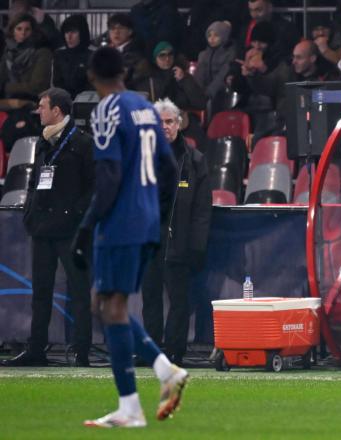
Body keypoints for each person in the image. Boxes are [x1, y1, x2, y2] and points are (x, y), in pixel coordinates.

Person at [70, 46, 185, 428]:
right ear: (124, 71)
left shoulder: (106, 110)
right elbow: (168, 166)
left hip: (120, 222)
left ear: (92, 77)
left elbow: (109, 178)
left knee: (110, 307)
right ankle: (164, 369)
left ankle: (131, 406)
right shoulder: (145, 106)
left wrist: (87, 226)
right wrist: (157, 212)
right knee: (104, 303)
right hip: (146, 219)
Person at [1, 87, 93, 368]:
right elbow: (35, 181)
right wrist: (30, 211)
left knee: (79, 291)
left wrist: (74, 215)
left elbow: (95, 187)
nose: (38, 111)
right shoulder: (43, 142)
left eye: (42, 106)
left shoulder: (83, 142)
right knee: (41, 292)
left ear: (58, 110)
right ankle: (36, 349)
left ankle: (81, 351)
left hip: (70, 230)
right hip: (42, 228)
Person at [141, 98, 212, 366]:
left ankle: (174, 350)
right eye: (159, 122)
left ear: (179, 124)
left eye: (169, 121)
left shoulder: (194, 160)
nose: (164, 127)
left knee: (178, 301)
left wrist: (196, 246)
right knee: (150, 298)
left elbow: (202, 209)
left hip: (179, 240)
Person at [132, 41, 205, 111]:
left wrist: (184, 79)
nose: (167, 59)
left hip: (181, 119)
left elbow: (201, 103)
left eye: (170, 54)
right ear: (155, 59)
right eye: (162, 56)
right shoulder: (146, 79)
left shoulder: (182, 76)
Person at [0, 13, 52, 100]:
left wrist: (5, 87)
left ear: (33, 31)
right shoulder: (8, 53)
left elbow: (36, 87)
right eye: (19, 29)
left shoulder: (42, 53)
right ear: (13, 31)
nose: (23, 33)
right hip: (8, 102)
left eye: (27, 29)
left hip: (33, 103)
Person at [193, 21, 236, 114]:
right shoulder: (203, 54)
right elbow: (199, 75)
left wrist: (209, 92)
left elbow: (222, 76)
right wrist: (197, 93)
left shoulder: (230, 54)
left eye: (216, 35)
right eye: (209, 35)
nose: (211, 39)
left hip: (223, 95)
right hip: (205, 96)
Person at [53, 14, 95, 98]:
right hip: (63, 101)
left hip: (86, 101)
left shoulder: (93, 55)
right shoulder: (59, 55)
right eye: (66, 32)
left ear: (82, 33)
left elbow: (92, 84)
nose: (69, 36)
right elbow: (57, 83)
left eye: (74, 32)